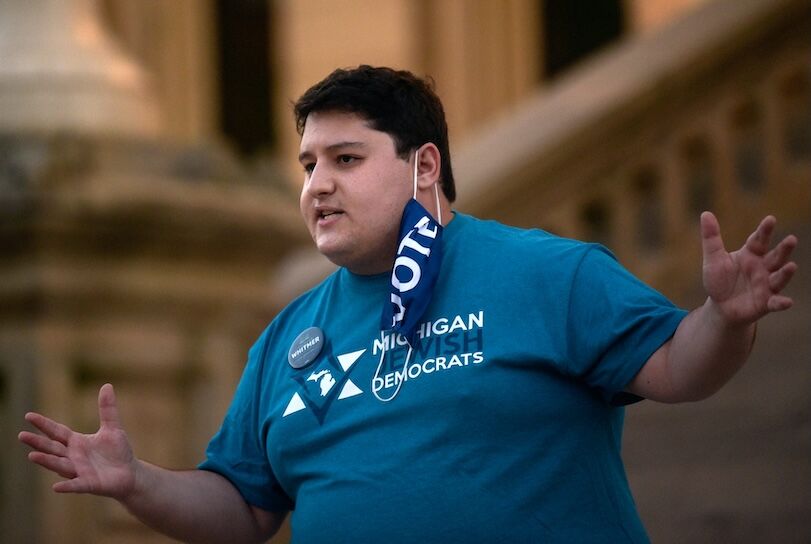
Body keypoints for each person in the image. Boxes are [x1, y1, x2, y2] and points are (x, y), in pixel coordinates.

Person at [19, 65, 798, 543]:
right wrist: (137, 482)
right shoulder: (290, 335)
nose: (315, 185)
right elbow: (244, 510)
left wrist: (722, 321)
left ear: (424, 166)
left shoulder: (546, 273)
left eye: (345, 159)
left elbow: (678, 369)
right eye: (306, 164)